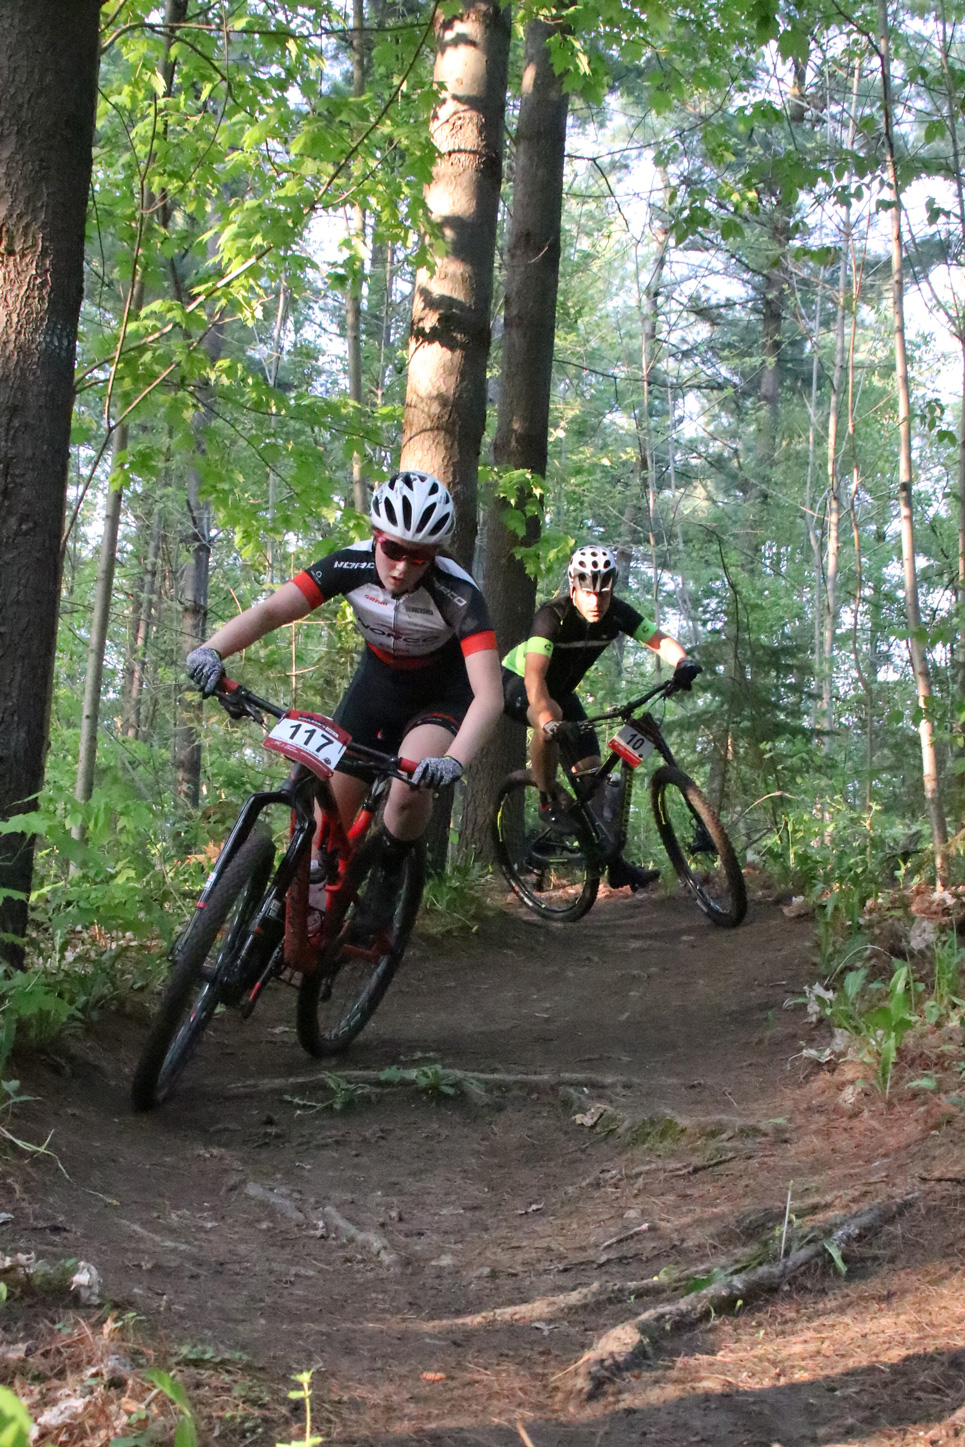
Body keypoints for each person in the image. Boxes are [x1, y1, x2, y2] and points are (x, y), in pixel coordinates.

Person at [186, 470, 503, 933]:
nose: (401, 567)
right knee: (323, 824)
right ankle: (294, 925)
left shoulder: (459, 595)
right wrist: (212, 649)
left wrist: (455, 760)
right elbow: (273, 610)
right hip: (378, 686)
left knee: (409, 786)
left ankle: (389, 872)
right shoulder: (349, 565)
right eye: (392, 549)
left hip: (443, 694)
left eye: (418, 557)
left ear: (434, 555)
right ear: (376, 536)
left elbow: (489, 695)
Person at [502, 543, 701, 892]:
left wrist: (682, 662)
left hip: (562, 692)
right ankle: (547, 799)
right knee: (552, 716)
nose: (596, 602)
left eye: (604, 594)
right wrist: (545, 718)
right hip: (517, 684)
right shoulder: (552, 616)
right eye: (588, 593)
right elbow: (534, 676)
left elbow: (658, 639)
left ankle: (613, 864)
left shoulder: (617, 614)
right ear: (573, 587)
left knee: (591, 774)